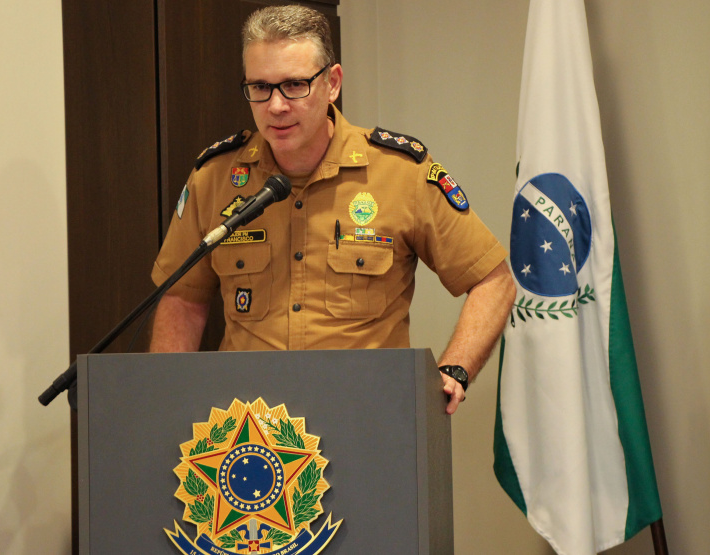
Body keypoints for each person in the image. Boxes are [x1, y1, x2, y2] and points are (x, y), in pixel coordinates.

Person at [149, 4, 515, 414]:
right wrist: (168, 404)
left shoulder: (401, 173)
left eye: (294, 85)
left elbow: (493, 281)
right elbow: (182, 300)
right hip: (248, 434)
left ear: (333, 83)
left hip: (367, 420)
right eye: (260, 87)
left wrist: (456, 370)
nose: (276, 106)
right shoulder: (215, 177)